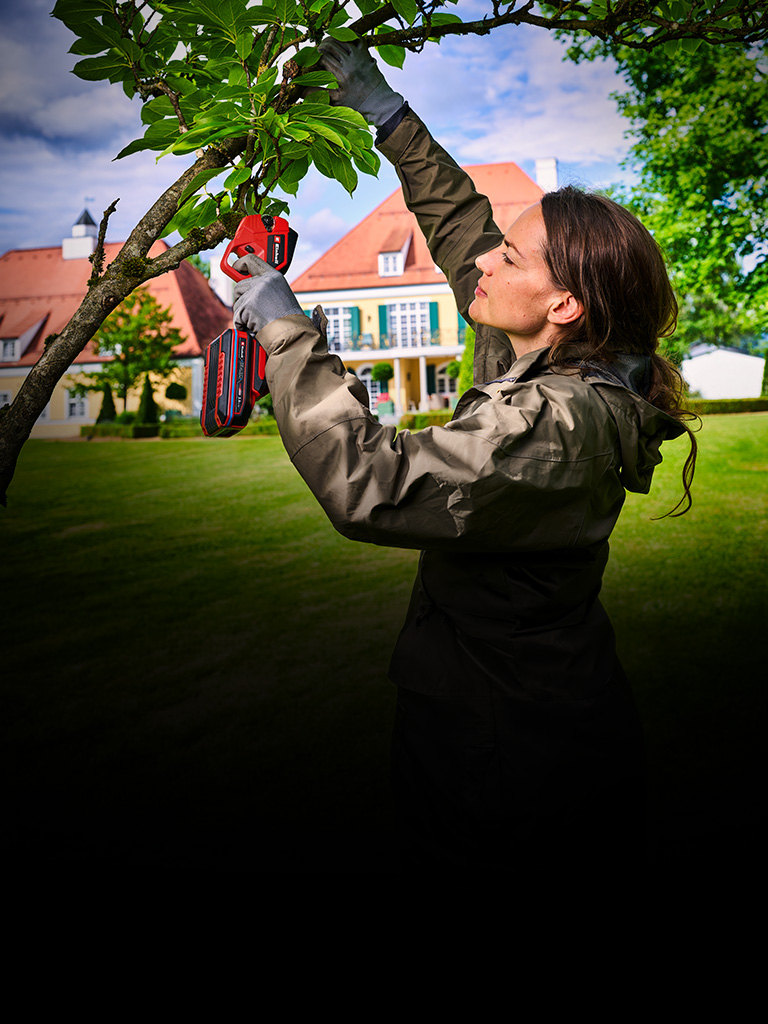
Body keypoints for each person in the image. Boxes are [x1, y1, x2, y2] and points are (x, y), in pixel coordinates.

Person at [232, 42, 697, 873]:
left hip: (510, 755)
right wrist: (386, 113)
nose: (487, 261)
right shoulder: (554, 358)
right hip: (508, 715)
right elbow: (462, 227)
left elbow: (370, 482)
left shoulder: (559, 424)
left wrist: (283, 325)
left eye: (511, 258)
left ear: (563, 303)